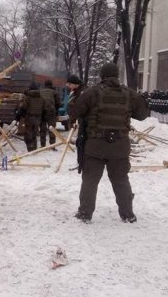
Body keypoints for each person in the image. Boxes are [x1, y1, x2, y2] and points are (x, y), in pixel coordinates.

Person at [71, 62, 149, 224]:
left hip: (95, 146)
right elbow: (142, 114)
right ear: (117, 75)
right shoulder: (129, 94)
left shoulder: (92, 92)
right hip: (120, 146)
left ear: (102, 76)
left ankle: (85, 213)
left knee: (90, 180)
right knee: (121, 179)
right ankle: (128, 214)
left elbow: (74, 111)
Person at [16, 82, 47, 152]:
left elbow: (23, 107)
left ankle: (30, 147)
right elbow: (45, 109)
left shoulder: (28, 98)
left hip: (29, 117)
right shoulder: (41, 98)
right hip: (38, 118)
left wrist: (20, 115)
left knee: (28, 132)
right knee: (34, 133)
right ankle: (35, 147)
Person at [38, 79, 61, 148]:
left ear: (45, 85)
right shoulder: (54, 92)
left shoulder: (40, 92)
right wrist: (56, 111)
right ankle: (52, 145)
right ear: (51, 85)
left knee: (42, 129)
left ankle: (43, 145)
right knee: (52, 129)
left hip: (42, 112)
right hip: (51, 112)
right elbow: (58, 103)